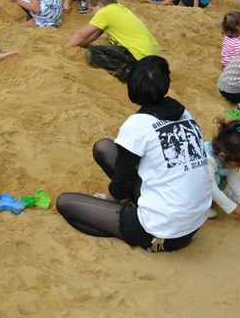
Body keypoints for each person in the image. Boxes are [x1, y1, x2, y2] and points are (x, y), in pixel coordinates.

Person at [56, 56, 213, 252]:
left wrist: (108, 199)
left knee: (66, 203)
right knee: (104, 147)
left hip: (162, 230)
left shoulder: (137, 125)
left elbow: (122, 183)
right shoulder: (185, 114)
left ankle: (129, 231)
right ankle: (127, 219)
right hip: (192, 222)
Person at [66, 0, 160, 82]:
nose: (91, 14)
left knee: (93, 53)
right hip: (152, 58)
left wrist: (67, 47)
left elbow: (81, 35)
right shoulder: (118, 9)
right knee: (100, 49)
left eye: (91, 10)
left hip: (140, 58)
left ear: (99, 6)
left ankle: (129, 72)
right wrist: (81, 45)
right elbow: (94, 35)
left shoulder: (105, 12)